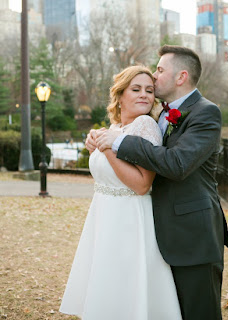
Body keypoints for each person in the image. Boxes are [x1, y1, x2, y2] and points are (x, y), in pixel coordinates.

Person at [88, 45, 228, 320]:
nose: (154, 77)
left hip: (193, 236)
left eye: (160, 70)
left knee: (199, 313)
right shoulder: (160, 115)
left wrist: (117, 142)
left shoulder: (205, 113)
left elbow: (178, 164)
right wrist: (103, 138)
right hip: (157, 233)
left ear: (181, 77)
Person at [60, 65, 182, 320]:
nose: (144, 95)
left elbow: (141, 185)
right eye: (135, 89)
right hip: (104, 216)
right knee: (107, 281)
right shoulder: (115, 127)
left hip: (130, 219)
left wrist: (107, 148)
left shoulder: (146, 125)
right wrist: (97, 142)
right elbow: (107, 170)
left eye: (149, 91)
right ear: (120, 94)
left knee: (128, 284)